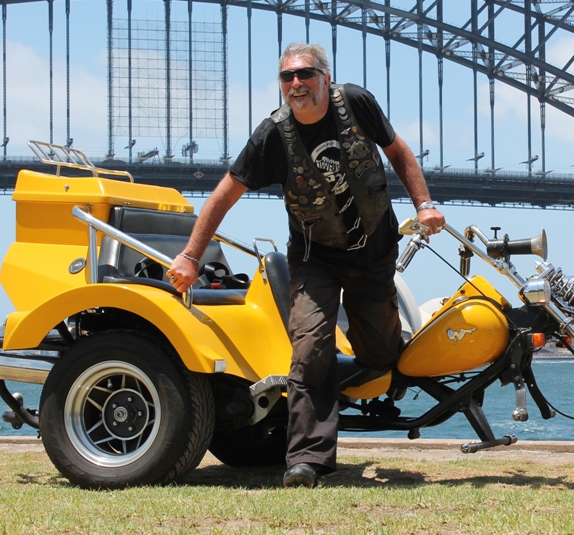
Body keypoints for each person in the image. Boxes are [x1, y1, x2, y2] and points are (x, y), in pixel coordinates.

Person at [168, 42, 445, 488]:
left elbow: (398, 152)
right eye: (286, 77)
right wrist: (190, 256)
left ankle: (315, 389)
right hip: (316, 259)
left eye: (305, 74)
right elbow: (223, 195)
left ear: (325, 78)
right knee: (311, 347)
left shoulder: (355, 102)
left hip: (374, 252)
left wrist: (425, 204)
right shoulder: (272, 135)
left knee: (380, 355)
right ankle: (307, 460)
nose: (296, 84)